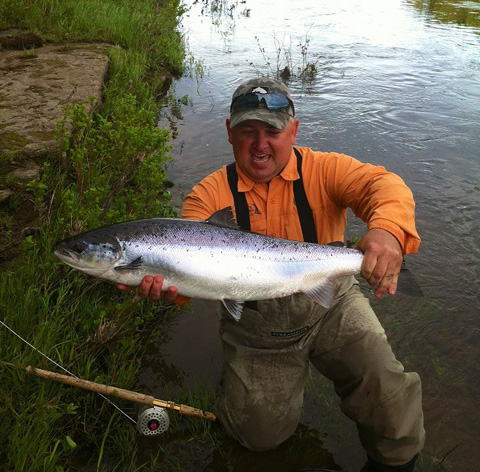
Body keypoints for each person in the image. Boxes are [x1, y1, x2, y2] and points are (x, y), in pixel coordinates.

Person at [118, 77, 425, 471]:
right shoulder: (206, 198)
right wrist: (168, 291)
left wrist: (386, 232)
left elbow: (384, 186)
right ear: (230, 133)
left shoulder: (325, 169)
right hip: (258, 325)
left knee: (389, 398)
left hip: (332, 299)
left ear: (293, 131)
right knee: (259, 438)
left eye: (272, 131)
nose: (260, 144)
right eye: (248, 131)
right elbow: (191, 279)